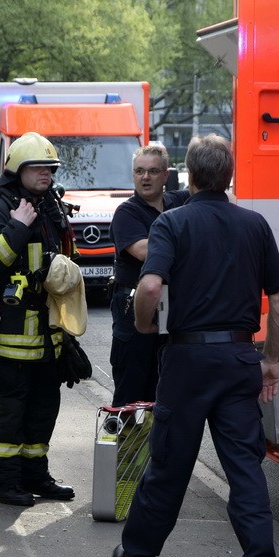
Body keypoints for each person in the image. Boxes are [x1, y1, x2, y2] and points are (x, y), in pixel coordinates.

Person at [110, 134, 279, 557]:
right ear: (228, 175)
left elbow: (149, 284)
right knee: (245, 471)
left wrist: (146, 328)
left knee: (168, 464)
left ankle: (139, 556)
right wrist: (270, 359)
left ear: (186, 176)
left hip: (188, 361)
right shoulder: (255, 225)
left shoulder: (173, 222)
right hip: (238, 360)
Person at [0, 132, 82, 507]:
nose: (46, 174)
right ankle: (2, 481)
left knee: (43, 404)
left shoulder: (48, 205)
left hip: (48, 328)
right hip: (10, 330)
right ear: (17, 169)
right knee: (10, 407)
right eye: (38, 167)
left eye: (50, 168)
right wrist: (17, 226)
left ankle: (36, 476)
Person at [108, 144, 188, 407]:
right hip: (133, 313)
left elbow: (218, 197)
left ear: (166, 175)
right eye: (139, 171)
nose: (145, 177)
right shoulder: (127, 213)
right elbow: (146, 252)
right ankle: (127, 448)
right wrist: (193, 245)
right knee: (131, 396)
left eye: (153, 171)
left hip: (169, 311)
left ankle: (158, 449)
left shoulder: (178, 201)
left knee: (164, 391)